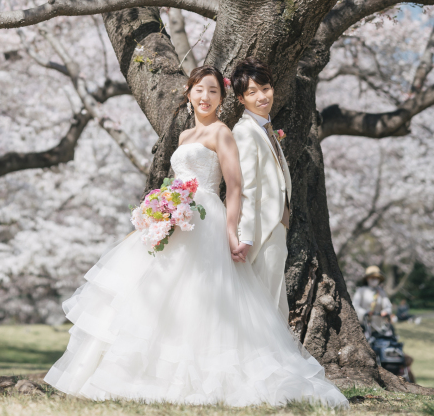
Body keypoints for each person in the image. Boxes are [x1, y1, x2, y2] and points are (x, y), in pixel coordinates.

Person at [44, 65, 348, 407]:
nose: (205, 97)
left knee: (203, 295)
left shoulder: (223, 133)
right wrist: (160, 209)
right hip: (178, 218)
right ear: (189, 94)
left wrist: (232, 231)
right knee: (156, 294)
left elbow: (235, 187)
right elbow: (176, 180)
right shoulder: (184, 136)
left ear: (222, 98)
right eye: (199, 90)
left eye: (213, 91)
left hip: (206, 219)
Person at [230, 59, 291, 319]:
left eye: (265, 88)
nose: (262, 96)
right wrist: (246, 237)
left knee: (274, 299)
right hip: (262, 229)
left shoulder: (264, 128)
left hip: (276, 224)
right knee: (267, 303)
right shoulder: (245, 131)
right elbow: (246, 187)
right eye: (252, 92)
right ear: (241, 99)